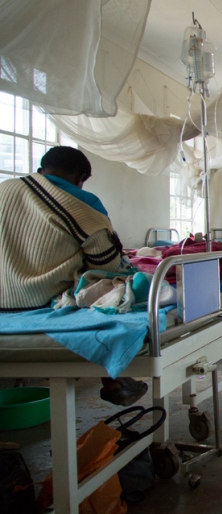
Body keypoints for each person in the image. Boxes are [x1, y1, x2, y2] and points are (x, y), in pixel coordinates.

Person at [0, 146, 146, 406]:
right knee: (111, 291)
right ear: (81, 178)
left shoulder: (5, 188)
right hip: (39, 301)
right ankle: (114, 377)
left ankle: (115, 380)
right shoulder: (82, 203)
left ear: (41, 170)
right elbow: (108, 264)